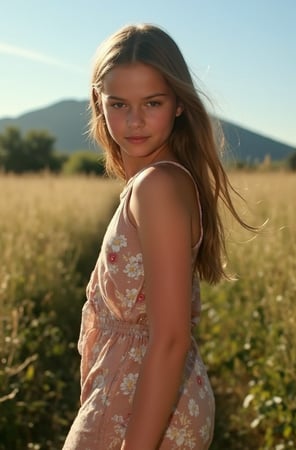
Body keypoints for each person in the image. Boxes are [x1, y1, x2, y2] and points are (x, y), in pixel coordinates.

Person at [63, 24, 253, 450]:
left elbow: (170, 338)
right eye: (118, 104)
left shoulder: (158, 188)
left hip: (141, 409)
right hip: (135, 398)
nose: (134, 121)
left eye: (152, 102)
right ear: (99, 102)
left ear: (179, 105)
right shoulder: (157, 182)